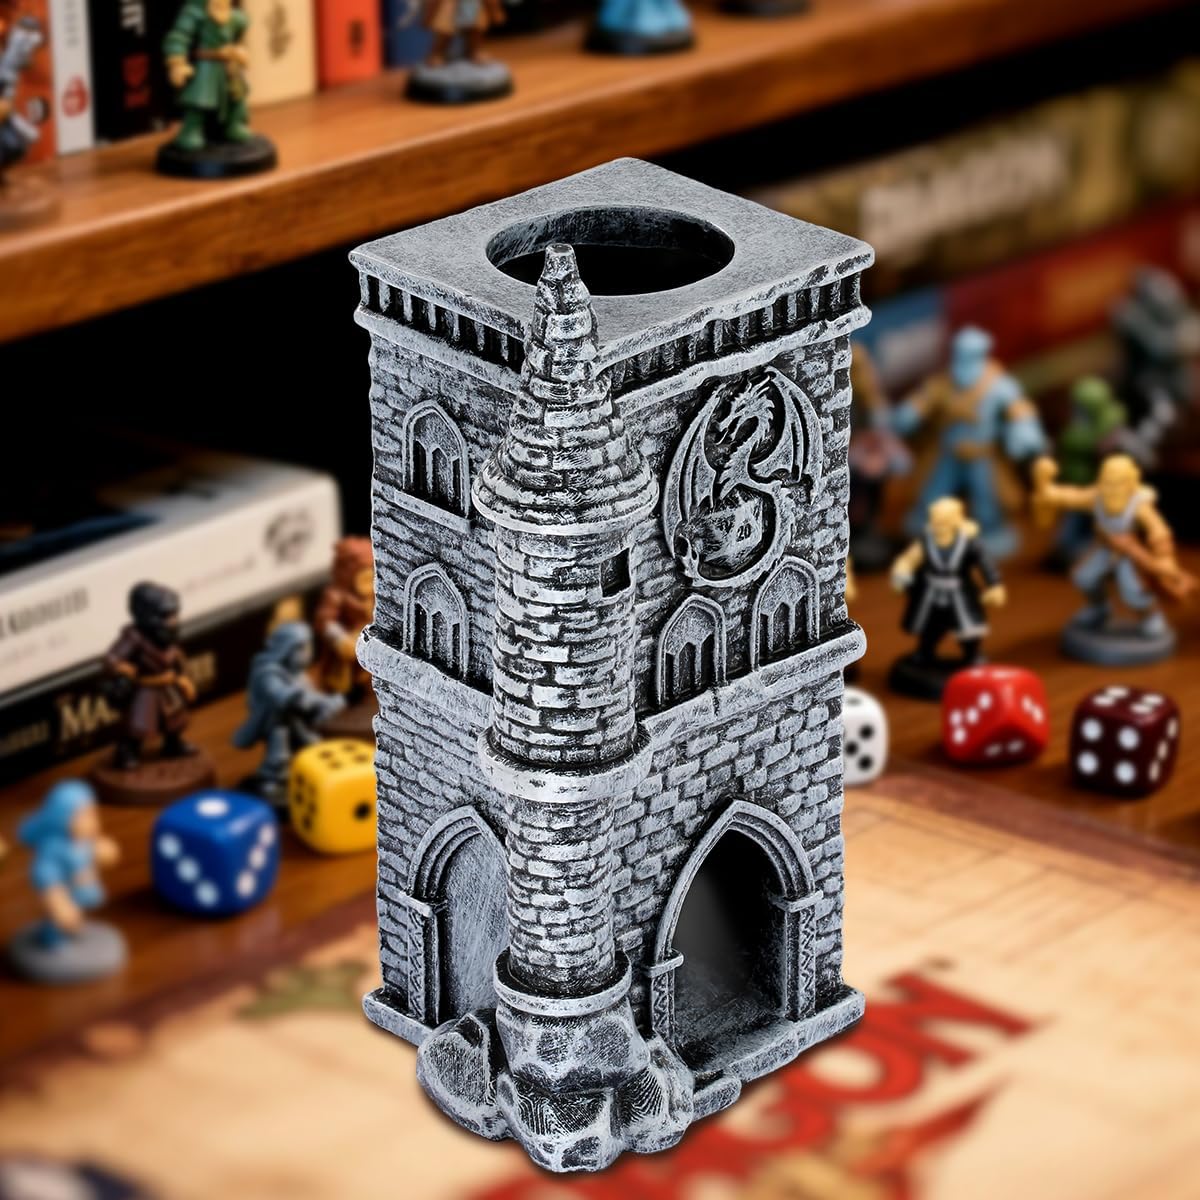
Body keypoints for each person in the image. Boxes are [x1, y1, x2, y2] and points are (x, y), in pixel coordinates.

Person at [892, 326, 1046, 558]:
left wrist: (1025, 430)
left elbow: (1020, 409)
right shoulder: (944, 382)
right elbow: (923, 399)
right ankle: (929, 530)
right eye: (961, 354)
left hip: (981, 456)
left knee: (987, 499)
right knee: (933, 495)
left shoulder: (997, 384)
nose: (964, 360)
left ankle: (991, 532)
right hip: (948, 453)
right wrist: (909, 413)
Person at [1032, 453, 1196, 663]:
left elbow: (1158, 529)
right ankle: (1098, 609)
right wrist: (1047, 491)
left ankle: (1150, 617)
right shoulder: (1096, 496)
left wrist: (1164, 556)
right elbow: (1070, 496)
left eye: (1118, 483)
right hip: (1104, 548)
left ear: (1130, 483)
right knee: (1084, 578)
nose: (1112, 489)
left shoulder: (1138, 504)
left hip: (1128, 552)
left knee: (1133, 590)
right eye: (1108, 483)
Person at [889, 497, 1006, 697]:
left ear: (956, 520)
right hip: (931, 594)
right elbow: (909, 559)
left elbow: (986, 564)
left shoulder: (968, 543)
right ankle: (925, 653)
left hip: (959, 594)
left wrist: (994, 585)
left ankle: (972, 656)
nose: (939, 526)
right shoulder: (927, 540)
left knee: (968, 630)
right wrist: (901, 572)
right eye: (936, 521)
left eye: (943, 522)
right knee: (930, 627)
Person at [234, 622, 346, 802]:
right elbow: (284, 696)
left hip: (298, 723)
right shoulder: (267, 673)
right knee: (279, 751)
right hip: (274, 723)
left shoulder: (299, 675)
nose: (308, 653)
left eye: (309, 646)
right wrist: (315, 702)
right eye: (302, 648)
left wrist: (329, 703)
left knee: (311, 747)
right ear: (286, 648)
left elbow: (311, 697)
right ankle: (272, 782)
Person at [101, 582, 198, 771]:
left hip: (167, 684)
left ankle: (173, 745)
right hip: (145, 689)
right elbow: (112, 658)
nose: (174, 621)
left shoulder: (166, 637)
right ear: (149, 616)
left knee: (175, 719)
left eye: (174, 615)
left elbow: (176, 656)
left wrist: (183, 678)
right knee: (139, 724)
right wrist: (124, 670)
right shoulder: (134, 638)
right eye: (167, 616)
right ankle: (128, 752)